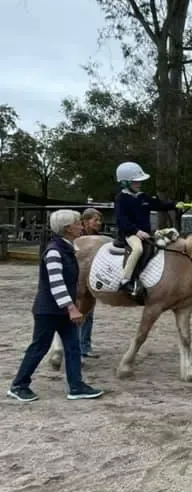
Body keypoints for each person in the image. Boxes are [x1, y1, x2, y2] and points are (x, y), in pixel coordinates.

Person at [7, 209, 104, 402]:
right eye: (77, 223)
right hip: (49, 311)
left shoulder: (67, 249)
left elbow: (70, 282)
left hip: (61, 310)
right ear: (68, 228)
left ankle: (76, 386)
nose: (80, 226)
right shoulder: (54, 252)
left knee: (73, 347)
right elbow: (56, 283)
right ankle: (18, 385)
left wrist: (75, 303)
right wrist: (72, 307)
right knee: (39, 347)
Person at [114, 161, 181, 298]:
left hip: (145, 233)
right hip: (130, 234)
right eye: (135, 182)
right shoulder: (121, 198)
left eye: (139, 182)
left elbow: (158, 204)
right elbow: (122, 220)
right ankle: (125, 280)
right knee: (138, 249)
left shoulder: (142, 196)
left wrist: (175, 205)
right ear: (125, 183)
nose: (139, 184)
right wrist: (136, 231)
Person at [78, 208, 104, 358]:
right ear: (85, 221)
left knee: (88, 314)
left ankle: (85, 346)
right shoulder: (78, 238)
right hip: (79, 280)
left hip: (90, 280)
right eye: (96, 220)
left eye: (100, 220)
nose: (99, 223)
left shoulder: (97, 239)